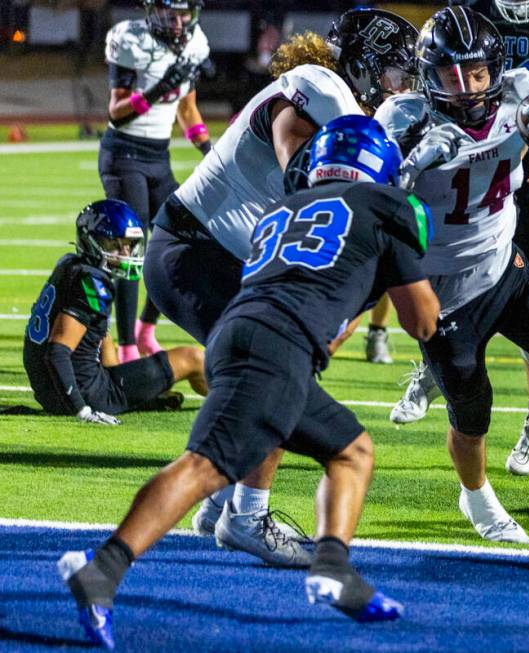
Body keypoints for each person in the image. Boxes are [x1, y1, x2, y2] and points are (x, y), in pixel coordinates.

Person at [58, 116, 440, 649]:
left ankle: (333, 567)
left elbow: (325, 300)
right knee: (204, 467)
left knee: (352, 450)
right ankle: (103, 569)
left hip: (238, 332)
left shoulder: (282, 210)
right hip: (276, 346)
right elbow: (421, 322)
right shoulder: (387, 207)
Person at [141, 8, 419, 566]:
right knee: (274, 370)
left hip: (216, 256)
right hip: (198, 252)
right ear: (364, 63)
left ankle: (220, 502)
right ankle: (246, 516)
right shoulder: (321, 86)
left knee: (267, 374)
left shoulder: (335, 95)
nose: (398, 88)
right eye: (392, 73)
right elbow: (301, 172)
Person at [376, 7, 529, 543]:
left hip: (506, 272)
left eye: (476, 73)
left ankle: (463, 390)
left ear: (494, 69)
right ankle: (478, 499)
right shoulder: (403, 118)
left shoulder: (520, 92)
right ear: (425, 74)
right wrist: (409, 165)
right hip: (443, 297)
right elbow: (368, 201)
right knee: (472, 412)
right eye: (448, 75)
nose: (463, 88)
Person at [23, 200, 207, 424]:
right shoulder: (92, 282)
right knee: (193, 358)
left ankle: (137, 397)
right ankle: (243, 402)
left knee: (102, 332)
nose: (125, 252)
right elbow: (57, 351)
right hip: (83, 393)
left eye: (129, 244)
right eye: (115, 245)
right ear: (92, 241)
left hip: (54, 390)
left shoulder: (70, 265)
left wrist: (125, 379)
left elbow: (98, 334)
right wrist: (82, 411)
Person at [100, 0, 211, 363]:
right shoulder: (131, 39)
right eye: (171, 13)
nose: (178, 22)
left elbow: (186, 109)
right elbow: (117, 113)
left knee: (184, 238)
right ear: (153, 11)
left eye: (184, 14)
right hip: (123, 155)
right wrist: (156, 89)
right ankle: (127, 346)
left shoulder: (195, 43)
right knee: (132, 249)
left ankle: (147, 329)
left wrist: (210, 151)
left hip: (158, 158)